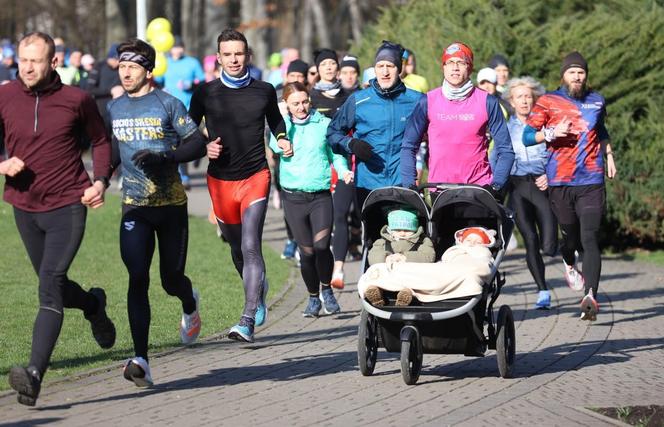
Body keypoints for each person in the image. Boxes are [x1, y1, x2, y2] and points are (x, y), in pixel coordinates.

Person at [0, 32, 116, 406]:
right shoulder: (4, 96)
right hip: (23, 205)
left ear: (53, 63)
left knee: (48, 285)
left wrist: (99, 181)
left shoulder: (76, 100)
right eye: (23, 59)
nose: (27, 67)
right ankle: (93, 305)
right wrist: (2, 163)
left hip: (67, 204)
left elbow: (101, 140)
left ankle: (33, 375)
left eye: (35, 60)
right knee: (55, 285)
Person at [107, 38, 208, 387]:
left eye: (132, 66)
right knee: (137, 277)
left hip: (171, 207)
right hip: (134, 206)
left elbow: (197, 142)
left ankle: (189, 301)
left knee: (170, 280)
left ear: (149, 70)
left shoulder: (168, 103)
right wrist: (100, 178)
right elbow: (109, 150)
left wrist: (165, 157)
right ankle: (142, 360)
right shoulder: (115, 108)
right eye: (122, 66)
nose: (126, 72)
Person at [189, 28, 290, 343]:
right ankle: (258, 290)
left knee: (250, 245)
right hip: (220, 181)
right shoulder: (205, 93)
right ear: (219, 57)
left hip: (255, 177)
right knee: (236, 249)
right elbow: (189, 130)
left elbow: (275, 121)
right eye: (228, 54)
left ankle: (247, 319)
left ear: (248, 55)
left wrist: (283, 139)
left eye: (239, 53)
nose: (234, 59)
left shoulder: (264, 90)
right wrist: (204, 146)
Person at [522, 51, 617, 321]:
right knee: (571, 237)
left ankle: (590, 296)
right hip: (560, 181)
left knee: (589, 236)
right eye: (572, 72)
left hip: (591, 180)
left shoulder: (597, 101)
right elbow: (528, 136)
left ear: (586, 76)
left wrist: (609, 156)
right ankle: (568, 261)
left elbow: (602, 131)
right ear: (563, 75)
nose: (577, 77)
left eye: (581, 72)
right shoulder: (548, 101)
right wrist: (551, 133)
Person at [327, 41, 423, 288]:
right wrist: (351, 145)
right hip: (368, 184)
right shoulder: (359, 100)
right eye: (380, 66)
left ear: (399, 68)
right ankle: (374, 292)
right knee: (374, 241)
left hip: (403, 182)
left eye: (390, 65)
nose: (385, 71)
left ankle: (403, 290)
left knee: (404, 240)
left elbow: (438, 135)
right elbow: (333, 133)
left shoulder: (417, 100)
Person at [269, 82, 352, 317]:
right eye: (295, 103)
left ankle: (327, 291)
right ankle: (313, 298)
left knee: (321, 246)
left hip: (320, 196)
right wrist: (283, 128)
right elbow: (275, 145)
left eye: (305, 102)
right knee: (306, 252)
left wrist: (343, 170)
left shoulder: (324, 124)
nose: (302, 107)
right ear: (286, 104)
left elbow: (336, 154)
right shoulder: (281, 127)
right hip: (293, 197)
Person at [401, 42, 514, 202]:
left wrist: (496, 185)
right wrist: (409, 185)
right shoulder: (427, 101)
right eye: (450, 63)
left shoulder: (487, 102)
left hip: (479, 190)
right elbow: (408, 146)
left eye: (461, 62)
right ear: (443, 67)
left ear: (470, 67)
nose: (455, 68)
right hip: (439, 191)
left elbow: (506, 150)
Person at [501, 76, 559, 309]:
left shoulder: (547, 124)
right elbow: (500, 157)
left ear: (535, 99)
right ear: (511, 102)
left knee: (548, 245)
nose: (524, 101)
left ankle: (568, 256)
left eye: (528, 96)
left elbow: (559, 154)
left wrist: (551, 175)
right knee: (531, 240)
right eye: (519, 97)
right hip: (518, 188)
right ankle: (542, 291)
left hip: (542, 185)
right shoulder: (505, 128)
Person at [360, 226, 494, 306]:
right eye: (468, 240)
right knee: (395, 268)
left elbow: (483, 267)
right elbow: (441, 263)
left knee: (464, 274)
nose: (471, 244)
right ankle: (379, 284)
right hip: (443, 268)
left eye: (477, 242)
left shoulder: (482, 252)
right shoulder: (454, 250)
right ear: (461, 241)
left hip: (460, 270)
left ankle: (408, 290)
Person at [156, 36, 205, 190]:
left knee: (187, 141)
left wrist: (190, 84)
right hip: (169, 108)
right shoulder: (165, 62)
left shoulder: (192, 62)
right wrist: (162, 89)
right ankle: (182, 175)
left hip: (189, 108)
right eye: (174, 47)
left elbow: (202, 82)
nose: (177, 50)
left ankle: (192, 162)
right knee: (175, 143)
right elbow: (157, 80)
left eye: (179, 47)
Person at [366, 208, 435, 269]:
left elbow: (429, 256)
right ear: (390, 230)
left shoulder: (422, 241)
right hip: (388, 273)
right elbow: (372, 256)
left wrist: (404, 257)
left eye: (407, 230)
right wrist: (386, 258)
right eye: (398, 230)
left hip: (412, 273)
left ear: (415, 230)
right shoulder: (382, 242)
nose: (402, 233)